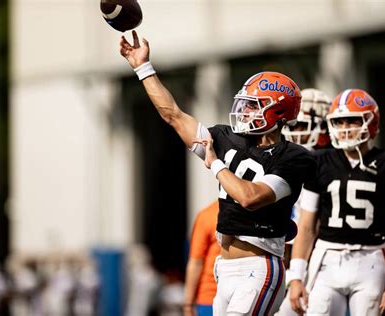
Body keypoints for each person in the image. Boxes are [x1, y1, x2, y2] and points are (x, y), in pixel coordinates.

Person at [119, 31, 316, 315]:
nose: (245, 110)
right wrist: (142, 67)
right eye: (245, 103)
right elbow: (173, 115)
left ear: (279, 113)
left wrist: (216, 164)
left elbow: (250, 196)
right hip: (224, 269)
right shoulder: (227, 138)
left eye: (254, 105)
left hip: (259, 267)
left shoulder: (293, 157)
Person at [287, 89, 385, 316]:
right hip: (327, 258)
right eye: (339, 121)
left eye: (353, 121)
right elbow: (306, 226)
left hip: (371, 258)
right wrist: (296, 276)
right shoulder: (318, 162)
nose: (345, 128)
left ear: (371, 122)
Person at [277, 88, 332, 316]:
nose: (297, 133)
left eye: (303, 125)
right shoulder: (282, 161)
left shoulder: (330, 167)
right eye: (293, 126)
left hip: (321, 264)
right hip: (285, 262)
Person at [184, 200, 221, 316]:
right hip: (210, 297)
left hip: (244, 295)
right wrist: (188, 304)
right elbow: (196, 261)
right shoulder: (207, 215)